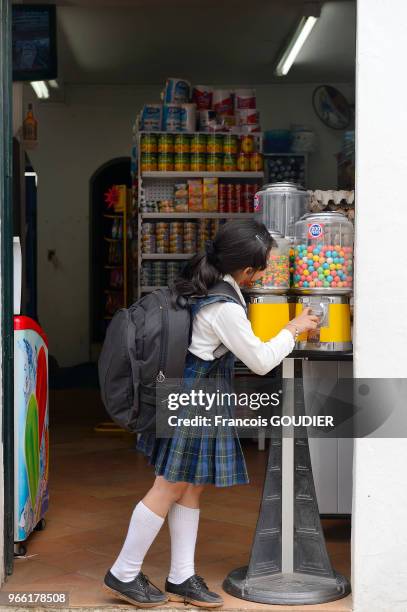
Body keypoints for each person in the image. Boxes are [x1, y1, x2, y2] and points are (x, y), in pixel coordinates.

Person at [103, 219, 319, 608]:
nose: (268, 271)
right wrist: (294, 327)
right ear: (248, 270)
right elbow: (260, 361)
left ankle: (181, 575)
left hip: (195, 393)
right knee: (167, 487)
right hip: (193, 397)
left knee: (191, 486)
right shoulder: (224, 307)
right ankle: (123, 573)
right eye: (264, 265)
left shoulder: (211, 277)